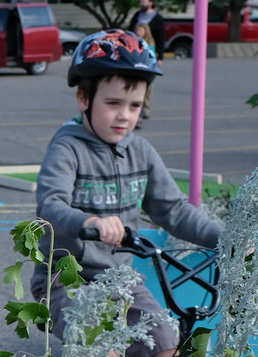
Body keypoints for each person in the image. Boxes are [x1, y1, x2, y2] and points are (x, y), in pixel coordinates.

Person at [32, 29, 222, 357]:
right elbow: (50, 205)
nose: (125, 115)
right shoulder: (67, 149)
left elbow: (173, 210)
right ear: (84, 99)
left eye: (135, 106)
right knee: (101, 347)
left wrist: (226, 238)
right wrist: (90, 222)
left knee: (166, 343)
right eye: (113, 103)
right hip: (65, 280)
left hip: (121, 279)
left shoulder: (141, 152)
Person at [134, 23, 156, 122]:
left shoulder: (149, 42)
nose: (138, 32)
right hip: (138, 68)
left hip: (148, 68)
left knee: (148, 91)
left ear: (145, 32)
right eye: (137, 30)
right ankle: (138, 110)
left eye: (140, 31)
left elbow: (152, 56)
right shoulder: (134, 41)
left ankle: (146, 110)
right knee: (138, 90)